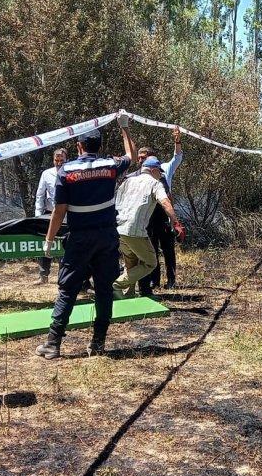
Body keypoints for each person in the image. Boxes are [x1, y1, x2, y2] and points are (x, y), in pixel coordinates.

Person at [35, 117, 136, 359]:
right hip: (106, 237)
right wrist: (124, 127)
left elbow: (59, 210)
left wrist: (48, 240)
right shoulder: (111, 166)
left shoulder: (66, 171)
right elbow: (131, 155)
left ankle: (53, 343)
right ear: (98, 146)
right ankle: (98, 343)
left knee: (68, 290)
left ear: (79, 146)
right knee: (103, 289)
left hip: (79, 238)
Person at [113, 155, 185, 300]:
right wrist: (176, 223)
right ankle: (117, 285)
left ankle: (130, 293)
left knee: (131, 261)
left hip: (119, 228)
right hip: (135, 230)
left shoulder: (127, 180)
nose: (160, 175)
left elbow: (116, 202)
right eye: (159, 172)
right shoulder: (155, 183)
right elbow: (165, 202)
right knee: (150, 262)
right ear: (153, 170)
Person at [139, 127, 184, 292]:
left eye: (143, 158)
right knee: (151, 249)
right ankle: (154, 280)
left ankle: (171, 280)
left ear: (150, 157)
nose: (140, 161)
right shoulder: (139, 174)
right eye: (139, 158)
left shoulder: (165, 168)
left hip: (164, 215)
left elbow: (177, 157)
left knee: (168, 249)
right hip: (149, 216)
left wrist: (177, 140)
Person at [34, 148, 69, 284]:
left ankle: (63, 277)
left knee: (64, 244)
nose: (59, 162)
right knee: (46, 241)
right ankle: (43, 275)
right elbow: (40, 195)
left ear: (66, 159)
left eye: (62, 160)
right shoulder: (46, 173)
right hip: (49, 215)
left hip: (67, 215)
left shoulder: (71, 172)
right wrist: (38, 215)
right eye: (56, 160)